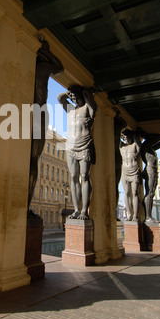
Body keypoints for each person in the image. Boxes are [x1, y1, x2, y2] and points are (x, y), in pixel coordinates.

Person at [27, 35, 63, 214]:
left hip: (36, 115)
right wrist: (48, 52)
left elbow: (60, 68)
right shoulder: (43, 67)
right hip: (36, 114)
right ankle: (25, 205)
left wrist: (46, 52)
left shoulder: (37, 65)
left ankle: (25, 205)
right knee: (31, 159)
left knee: (32, 158)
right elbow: (60, 67)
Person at [57, 86, 97, 220]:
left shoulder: (88, 108)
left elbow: (93, 106)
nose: (74, 99)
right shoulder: (70, 110)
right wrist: (69, 94)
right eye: (72, 97)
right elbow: (60, 98)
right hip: (70, 146)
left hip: (85, 144)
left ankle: (85, 210)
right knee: (73, 177)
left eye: (76, 96)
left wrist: (86, 93)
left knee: (85, 176)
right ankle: (76, 209)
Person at [139, 131, 160, 222]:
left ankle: (148, 215)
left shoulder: (150, 150)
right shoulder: (145, 149)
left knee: (151, 193)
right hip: (150, 170)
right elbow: (158, 136)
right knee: (149, 193)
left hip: (153, 171)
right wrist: (146, 135)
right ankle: (148, 216)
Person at [120, 129, 141, 221]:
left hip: (134, 170)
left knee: (135, 193)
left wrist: (136, 137)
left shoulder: (135, 146)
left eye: (126, 136)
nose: (125, 138)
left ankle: (135, 215)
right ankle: (129, 214)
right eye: (123, 137)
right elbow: (114, 134)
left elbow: (139, 148)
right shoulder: (122, 146)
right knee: (127, 193)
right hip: (124, 171)